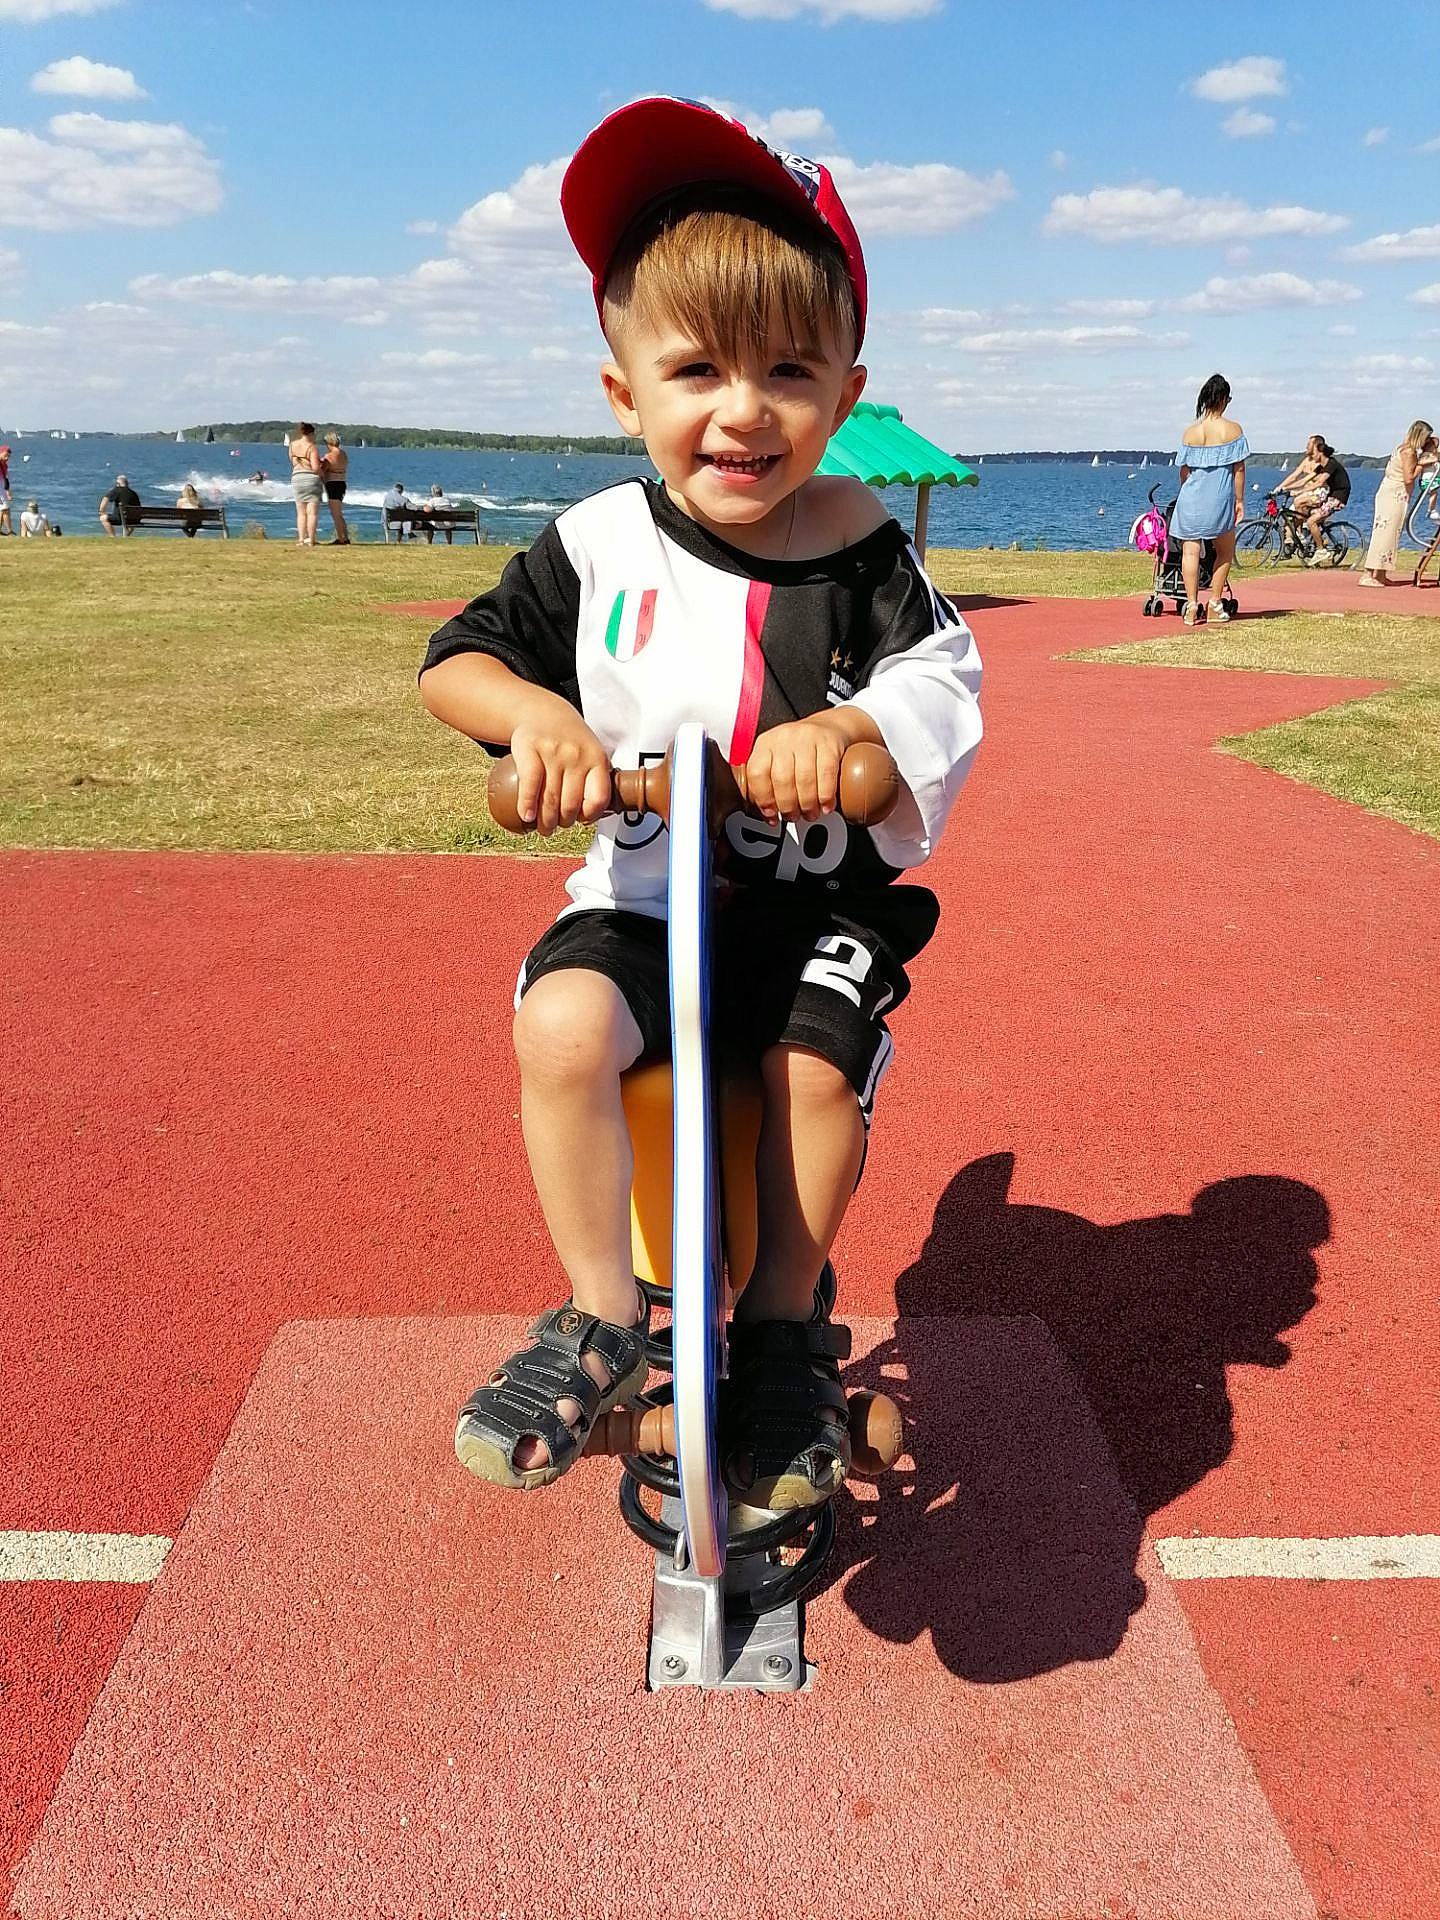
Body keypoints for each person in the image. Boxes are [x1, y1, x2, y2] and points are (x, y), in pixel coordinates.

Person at [419, 97, 983, 1504]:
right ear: (626, 395)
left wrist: (855, 726)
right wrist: (539, 719)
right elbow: (461, 665)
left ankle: (786, 1324)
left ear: (846, 396)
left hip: (807, 908)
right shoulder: (597, 548)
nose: (743, 408)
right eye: (695, 371)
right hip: (643, 891)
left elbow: (948, 678)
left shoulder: (859, 551)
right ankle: (603, 1316)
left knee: (807, 1068)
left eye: (790, 369)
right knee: (560, 1024)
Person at [1172, 374, 1247, 625]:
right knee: (1224, 551)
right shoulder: (1233, 430)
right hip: (1220, 499)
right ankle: (1215, 602)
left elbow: (1184, 471)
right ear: (1224, 399)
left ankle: (1192, 606)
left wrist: (1188, 491)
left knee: (1190, 552)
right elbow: (1239, 470)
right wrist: (1239, 500)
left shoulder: (1191, 433)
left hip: (1191, 498)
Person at [1358, 421, 1438, 586]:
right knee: (1384, 533)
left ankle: (1380, 574)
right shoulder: (1409, 452)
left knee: (1390, 534)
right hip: (1394, 494)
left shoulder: (1403, 448)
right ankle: (1368, 574)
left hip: (1396, 493)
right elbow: (1408, 477)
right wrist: (1421, 465)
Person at [1300, 440, 1351, 567]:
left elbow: (1318, 483)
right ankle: (1318, 540)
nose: (1312, 456)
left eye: (1314, 453)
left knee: (1311, 521)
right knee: (1306, 509)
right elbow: (1306, 479)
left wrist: (1298, 492)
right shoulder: (1321, 466)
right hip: (1330, 496)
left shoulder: (1331, 464)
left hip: (1338, 497)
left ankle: (1321, 550)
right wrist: (1285, 489)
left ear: (1321, 452)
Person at [289, 422, 324, 547]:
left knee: (300, 512)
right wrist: (322, 475)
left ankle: (301, 540)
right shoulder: (312, 447)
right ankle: (311, 540)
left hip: (297, 478)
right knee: (312, 513)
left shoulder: (292, 445)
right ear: (311, 433)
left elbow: (293, 462)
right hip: (311, 479)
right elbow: (315, 467)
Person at [321, 431, 350, 545]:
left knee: (335, 513)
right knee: (339, 512)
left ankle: (341, 538)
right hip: (342, 482)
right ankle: (345, 536)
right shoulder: (343, 454)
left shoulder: (329, 456)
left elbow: (323, 470)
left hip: (332, 483)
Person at [98, 473, 141, 538]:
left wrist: (102, 511)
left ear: (118, 484)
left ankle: (112, 536)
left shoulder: (117, 490)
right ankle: (126, 536)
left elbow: (105, 499)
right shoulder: (134, 493)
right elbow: (138, 508)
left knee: (103, 518)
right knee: (132, 521)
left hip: (119, 519)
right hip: (132, 520)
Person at [0, 446, 11, 535]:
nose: (7, 458)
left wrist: (7, 492)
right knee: (5, 509)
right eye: (6, 455)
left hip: (2, 489)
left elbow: (5, 479)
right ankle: (9, 530)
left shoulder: (5, 466)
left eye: (8, 457)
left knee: (3, 510)